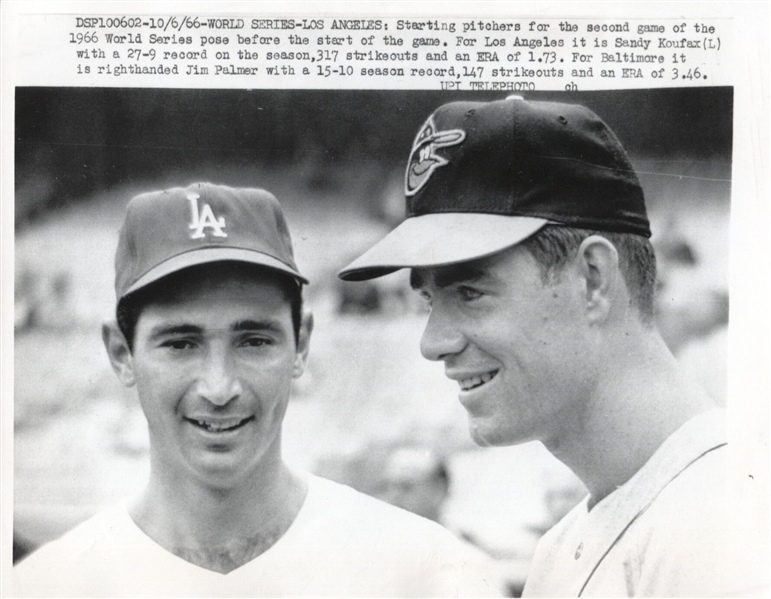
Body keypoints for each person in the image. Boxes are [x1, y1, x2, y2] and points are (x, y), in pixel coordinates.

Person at [339, 98, 768, 596]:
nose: (432, 343)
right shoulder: (562, 551)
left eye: (471, 293)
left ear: (593, 280)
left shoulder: (729, 520)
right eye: (429, 300)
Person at [13, 183, 503, 597]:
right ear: (122, 354)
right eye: (181, 343)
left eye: (254, 340)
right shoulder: (44, 588)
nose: (220, 387)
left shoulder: (428, 576)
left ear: (301, 344)